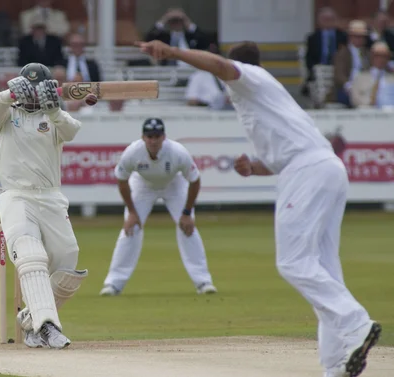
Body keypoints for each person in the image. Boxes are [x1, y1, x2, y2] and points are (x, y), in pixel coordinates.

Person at [135, 39, 381, 377]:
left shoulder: (248, 77)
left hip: (308, 171)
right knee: (323, 269)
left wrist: (174, 52)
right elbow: (282, 155)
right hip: (325, 168)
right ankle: (337, 362)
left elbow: (221, 67)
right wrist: (255, 166)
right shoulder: (266, 95)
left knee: (293, 262)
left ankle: (356, 323)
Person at [0, 63, 88, 349]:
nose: (30, 96)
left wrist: (54, 108)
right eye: (25, 89)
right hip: (16, 196)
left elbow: (72, 129)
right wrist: (8, 94)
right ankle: (47, 326)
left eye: (35, 90)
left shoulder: (54, 117)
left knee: (68, 262)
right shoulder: (7, 115)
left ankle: (30, 319)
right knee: (30, 255)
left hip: (51, 197)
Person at [100, 118, 217, 296]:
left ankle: (203, 282)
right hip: (143, 185)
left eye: (157, 136)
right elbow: (122, 180)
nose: (153, 141)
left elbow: (194, 181)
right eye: (149, 136)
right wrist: (132, 212)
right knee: (130, 229)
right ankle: (113, 284)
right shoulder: (133, 152)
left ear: (164, 137)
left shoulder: (177, 152)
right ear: (143, 137)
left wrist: (186, 213)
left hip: (174, 184)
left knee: (187, 228)